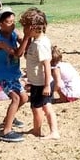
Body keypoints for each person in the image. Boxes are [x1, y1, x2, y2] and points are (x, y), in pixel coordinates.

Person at [0, 6, 29, 142]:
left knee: (24, 98)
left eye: (13, 21)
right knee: (16, 98)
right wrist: (27, 37)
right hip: (2, 74)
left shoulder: (13, 33)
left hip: (13, 73)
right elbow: (18, 54)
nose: (12, 24)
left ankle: (9, 118)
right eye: (8, 22)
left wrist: (29, 36)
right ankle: (6, 131)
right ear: (0, 24)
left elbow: (26, 45)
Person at [21, 8, 60, 139]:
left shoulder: (40, 44)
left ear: (32, 27)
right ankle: (37, 129)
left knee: (41, 107)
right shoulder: (35, 41)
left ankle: (52, 131)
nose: (23, 30)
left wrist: (47, 85)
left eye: (25, 27)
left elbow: (47, 64)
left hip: (42, 82)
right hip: (37, 81)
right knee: (39, 106)